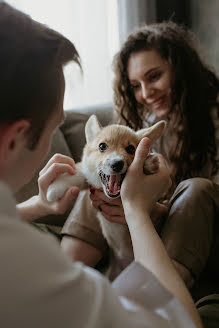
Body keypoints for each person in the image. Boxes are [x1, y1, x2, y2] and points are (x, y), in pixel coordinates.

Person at [0, 3, 202, 327]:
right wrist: (135, 207)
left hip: (178, 225)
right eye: (55, 126)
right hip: (127, 253)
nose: (145, 92)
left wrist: (38, 205)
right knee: (95, 181)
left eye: (154, 76)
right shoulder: (26, 262)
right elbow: (179, 322)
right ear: (16, 139)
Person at [61, 21, 219, 292]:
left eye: (154, 76)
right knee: (101, 181)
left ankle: (159, 297)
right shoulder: (144, 126)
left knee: (196, 189)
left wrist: (150, 211)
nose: (145, 94)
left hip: (202, 237)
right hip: (148, 231)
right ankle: (61, 281)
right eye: (135, 85)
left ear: (182, 70)